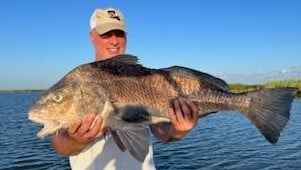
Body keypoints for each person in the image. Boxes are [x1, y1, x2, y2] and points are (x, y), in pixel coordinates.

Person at [51, 7, 199, 170]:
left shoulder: (142, 79)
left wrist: (178, 131)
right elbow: (60, 146)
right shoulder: (79, 81)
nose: (114, 41)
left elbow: (161, 131)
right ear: (92, 36)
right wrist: (76, 140)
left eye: (119, 33)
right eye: (106, 33)